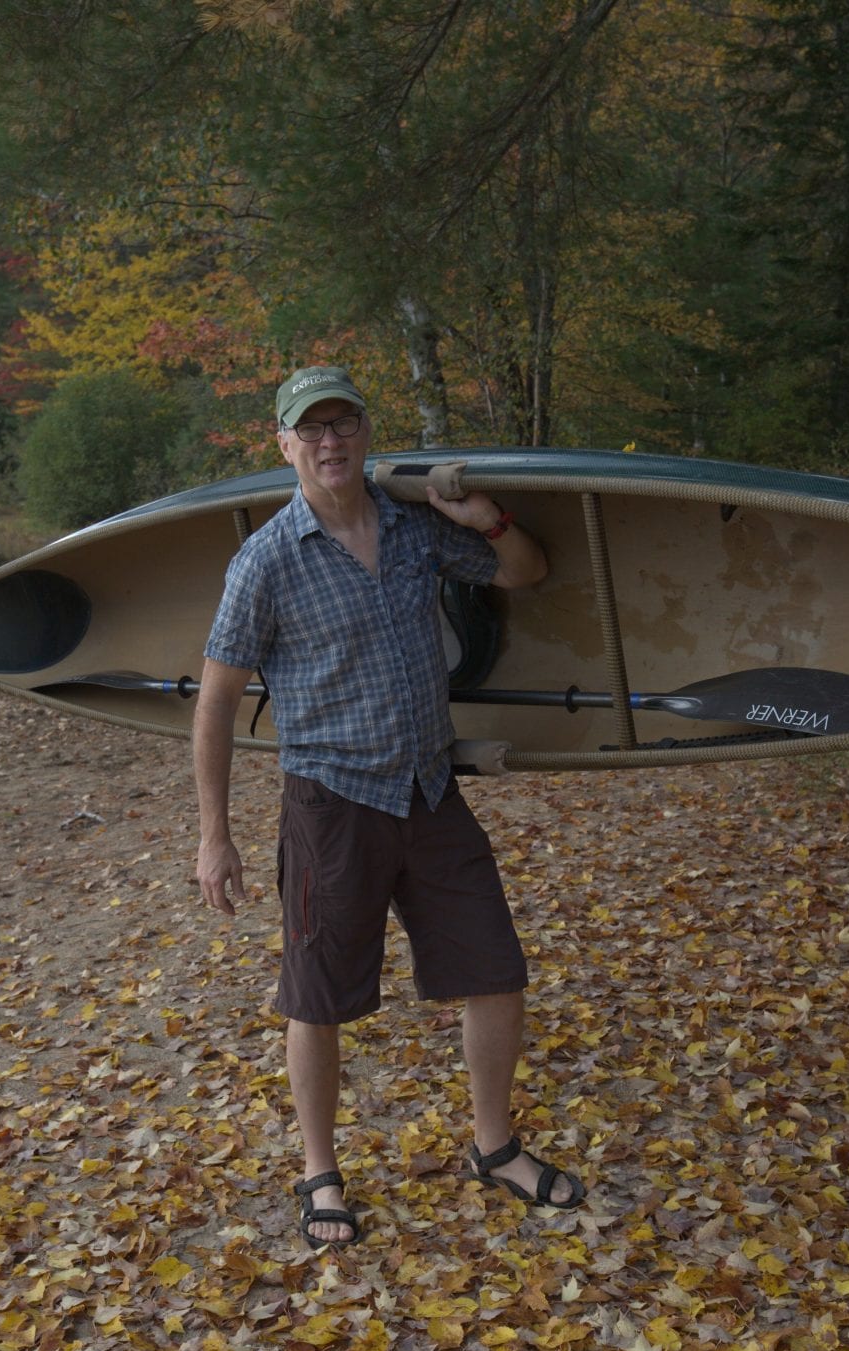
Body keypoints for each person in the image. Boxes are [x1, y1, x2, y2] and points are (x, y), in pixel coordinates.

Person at [192, 364, 584, 1251]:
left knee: (496, 970)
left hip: (429, 789)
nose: (330, 442)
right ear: (284, 443)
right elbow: (215, 701)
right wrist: (215, 836)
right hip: (331, 803)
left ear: (365, 434)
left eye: (344, 425)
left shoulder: (412, 527)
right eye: (311, 429)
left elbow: (528, 572)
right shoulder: (265, 560)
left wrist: (484, 518)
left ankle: (494, 1147)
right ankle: (321, 1172)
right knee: (318, 998)